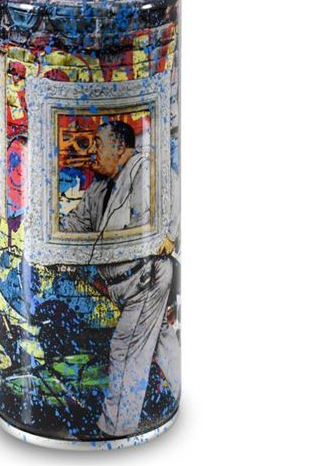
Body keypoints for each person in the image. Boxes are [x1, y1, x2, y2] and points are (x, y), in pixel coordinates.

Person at [60, 120, 180, 437]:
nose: (91, 151)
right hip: (123, 286)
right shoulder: (99, 188)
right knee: (159, 339)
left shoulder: (143, 168)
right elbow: (75, 225)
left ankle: (116, 428)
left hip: (145, 279)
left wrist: (170, 235)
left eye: (98, 144)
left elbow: (172, 185)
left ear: (120, 147)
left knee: (124, 349)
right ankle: (176, 389)